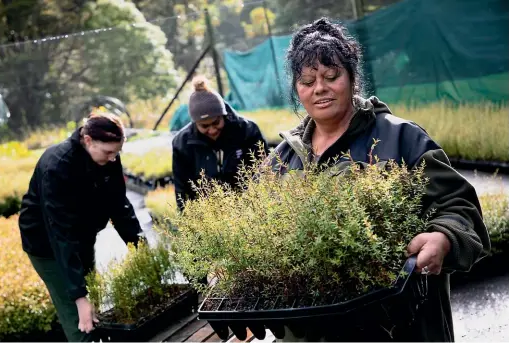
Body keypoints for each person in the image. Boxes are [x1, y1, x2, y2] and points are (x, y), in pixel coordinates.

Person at [269, 18, 490, 341]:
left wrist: (443, 238)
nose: (320, 88)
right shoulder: (283, 158)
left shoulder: (400, 139)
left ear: (352, 79)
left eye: (332, 76)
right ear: (296, 89)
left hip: (400, 325)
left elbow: (460, 206)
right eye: (306, 81)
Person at [18, 110, 143, 342]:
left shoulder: (108, 158)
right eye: (108, 152)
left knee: (93, 300)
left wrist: (139, 246)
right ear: (87, 141)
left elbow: (119, 204)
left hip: (82, 235)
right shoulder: (57, 166)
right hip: (47, 244)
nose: (113, 159)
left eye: (117, 153)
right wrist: (79, 296)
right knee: (78, 314)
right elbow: (61, 236)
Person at [172, 76, 270, 212]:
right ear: (195, 123)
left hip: (249, 208)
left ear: (223, 115)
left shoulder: (247, 131)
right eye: (204, 126)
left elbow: (266, 173)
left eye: (216, 123)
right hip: (209, 215)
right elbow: (182, 192)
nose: (212, 130)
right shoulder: (182, 143)